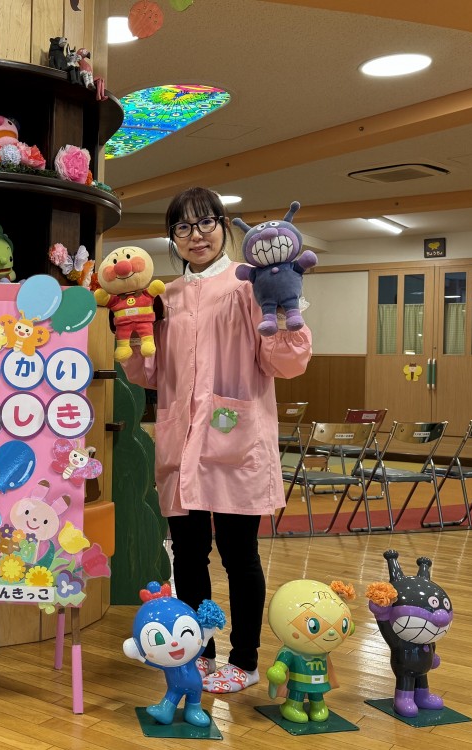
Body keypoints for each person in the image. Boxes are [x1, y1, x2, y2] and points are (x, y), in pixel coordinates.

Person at [121, 187, 312, 694]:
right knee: (187, 555)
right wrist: (131, 333)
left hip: (235, 441)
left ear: (224, 227)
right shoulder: (165, 296)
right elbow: (148, 373)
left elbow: (284, 363)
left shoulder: (250, 285)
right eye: (183, 227)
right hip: (181, 441)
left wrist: (286, 311)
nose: (196, 235)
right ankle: (197, 651)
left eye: (206, 222)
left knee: (238, 554)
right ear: (173, 238)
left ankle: (245, 659)